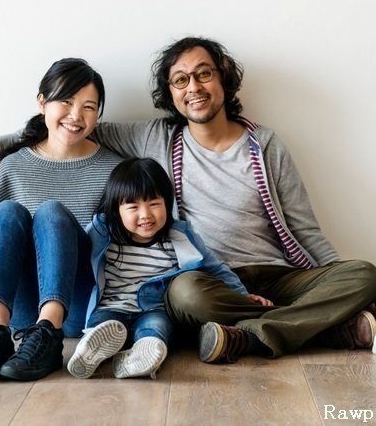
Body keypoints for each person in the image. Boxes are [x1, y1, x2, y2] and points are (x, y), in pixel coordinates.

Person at [0, 37, 376, 364]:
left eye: (204, 74)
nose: (194, 88)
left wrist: (342, 281)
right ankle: (322, 329)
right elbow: (69, 126)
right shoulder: (154, 138)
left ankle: (253, 336)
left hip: (277, 276)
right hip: (202, 281)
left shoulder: (265, 144)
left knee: (364, 275)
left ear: (223, 79)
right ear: (170, 94)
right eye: (181, 80)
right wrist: (0, 142)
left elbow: (304, 228)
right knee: (186, 294)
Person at [0, 58, 122, 382]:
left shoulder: (113, 170)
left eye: (89, 107)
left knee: (51, 213)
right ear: (42, 103)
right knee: (8, 212)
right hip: (20, 310)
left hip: (77, 306)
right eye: (66, 101)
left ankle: (50, 332)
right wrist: (22, 256)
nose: (76, 115)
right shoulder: (11, 166)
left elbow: (122, 252)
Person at [67, 157, 267, 379]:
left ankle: (142, 354)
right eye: (133, 207)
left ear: (167, 202)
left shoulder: (179, 236)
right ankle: (90, 350)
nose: (146, 215)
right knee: (104, 325)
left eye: (154, 204)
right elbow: (76, 259)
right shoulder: (103, 232)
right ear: (117, 210)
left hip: (155, 309)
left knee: (157, 327)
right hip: (112, 306)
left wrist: (242, 295)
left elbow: (216, 268)